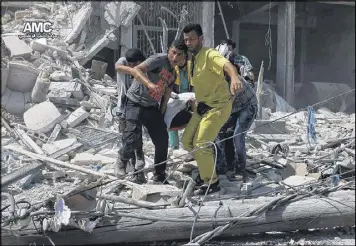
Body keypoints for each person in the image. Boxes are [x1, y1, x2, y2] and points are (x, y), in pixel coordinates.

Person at [181, 23, 243, 195]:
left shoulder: (209, 54)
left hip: (219, 106)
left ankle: (212, 183)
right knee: (187, 141)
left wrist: (235, 77)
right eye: (186, 40)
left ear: (201, 39)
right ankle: (205, 170)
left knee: (201, 144)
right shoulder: (191, 59)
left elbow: (226, 65)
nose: (189, 42)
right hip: (203, 106)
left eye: (192, 39)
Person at [118, 40, 187, 184]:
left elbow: (166, 95)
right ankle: (122, 160)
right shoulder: (159, 59)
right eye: (173, 52)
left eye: (179, 55)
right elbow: (137, 70)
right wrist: (149, 84)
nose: (175, 57)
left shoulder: (173, 74)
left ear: (183, 57)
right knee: (131, 140)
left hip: (151, 107)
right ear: (169, 50)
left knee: (162, 140)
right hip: (134, 102)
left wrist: (161, 115)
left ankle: (159, 175)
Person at [114, 48, 146, 183]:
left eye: (136, 65)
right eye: (131, 65)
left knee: (137, 140)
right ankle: (122, 161)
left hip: (137, 108)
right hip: (123, 108)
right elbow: (117, 67)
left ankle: (138, 174)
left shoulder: (144, 67)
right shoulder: (123, 61)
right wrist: (134, 70)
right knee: (128, 139)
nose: (133, 67)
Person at [168, 47, 193, 149]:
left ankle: (189, 144)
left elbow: (194, 82)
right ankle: (174, 146)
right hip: (177, 96)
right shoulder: (172, 68)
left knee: (192, 120)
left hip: (189, 96)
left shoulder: (191, 67)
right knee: (172, 119)